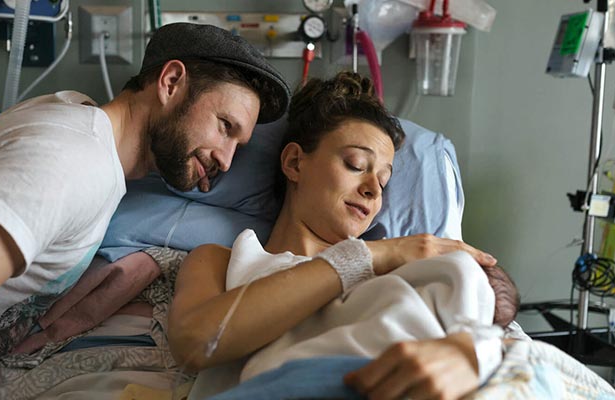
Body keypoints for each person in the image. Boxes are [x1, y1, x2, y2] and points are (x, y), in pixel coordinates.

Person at [0, 23, 289, 399]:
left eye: (239, 145)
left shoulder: (79, 123)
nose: (227, 160)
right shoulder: (73, 162)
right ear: (171, 82)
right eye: (224, 126)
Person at [168, 72, 512, 400]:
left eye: (383, 181)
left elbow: (507, 346)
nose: (372, 190)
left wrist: (476, 353)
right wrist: (370, 256)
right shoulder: (220, 261)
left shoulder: (404, 270)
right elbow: (196, 343)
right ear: (294, 163)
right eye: (356, 164)